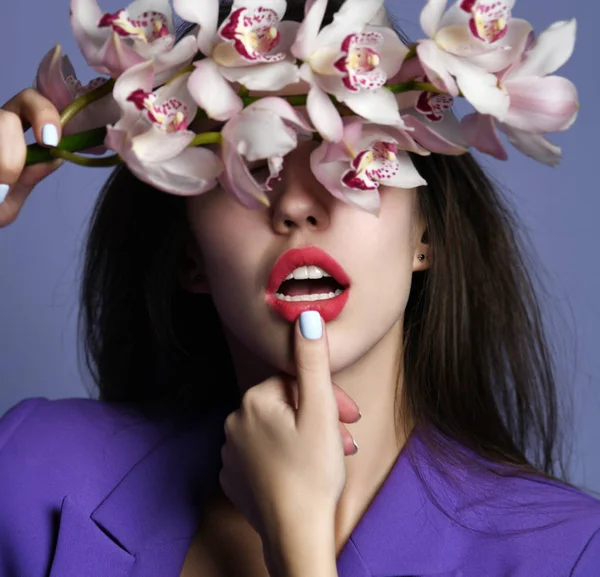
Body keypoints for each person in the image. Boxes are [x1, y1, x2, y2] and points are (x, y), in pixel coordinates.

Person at [1, 0, 598, 576]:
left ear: (426, 235)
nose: (294, 205)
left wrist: (300, 547)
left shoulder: (571, 553)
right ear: (191, 258)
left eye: (361, 155)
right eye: (250, 156)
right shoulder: (31, 474)